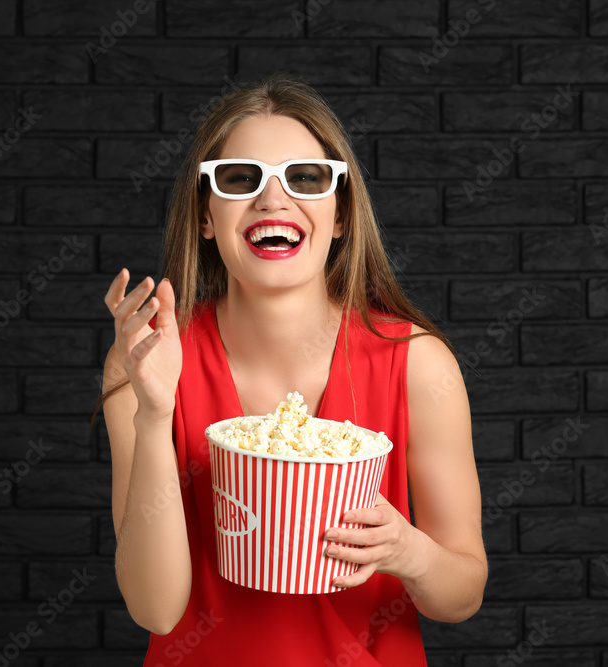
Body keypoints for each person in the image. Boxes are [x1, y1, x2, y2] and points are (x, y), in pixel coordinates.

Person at [92, 71, 486, 666]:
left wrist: (408, 551)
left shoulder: (418, 363)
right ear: (206, 216)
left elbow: (463, 594)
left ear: (341, 213)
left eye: (305, 177)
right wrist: (154, 414)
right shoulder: (146, 360)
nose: (272, 199)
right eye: (238, 178)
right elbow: (156, 609)